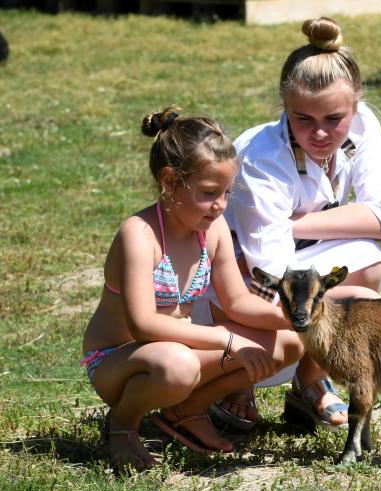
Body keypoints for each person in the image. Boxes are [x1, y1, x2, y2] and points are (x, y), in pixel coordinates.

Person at [205, 17, 381, 432]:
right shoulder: (263, 157)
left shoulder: (363, 122)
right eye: (303, 119)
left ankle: (307, 378)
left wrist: (296, 223)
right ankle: (264, 380)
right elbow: (274, 272)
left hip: (293, 250)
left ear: (355, 106)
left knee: (369, 264)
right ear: (284, 107)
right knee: (351, 296)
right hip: (236, 276)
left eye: (334, 118)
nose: (319, 133)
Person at [81, 106, 308, 470]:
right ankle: (122, 425)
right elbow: (143, 325)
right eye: (208, 192)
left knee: (290, 341)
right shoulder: (139, 235)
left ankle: (186, 411)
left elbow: (236, 302)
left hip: (180, 351)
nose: (220, 205)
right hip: (120, 363)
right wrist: (228, 341)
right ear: (170, 182)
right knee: (179, 366)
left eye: (226, 192)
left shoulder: (212, 230)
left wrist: (290, 316)